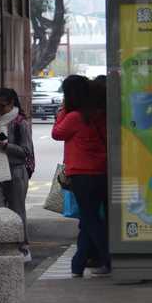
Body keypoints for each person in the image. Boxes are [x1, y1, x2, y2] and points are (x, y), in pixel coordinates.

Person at [52, 74, 109, 277]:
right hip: (101, 172)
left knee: (91, 220)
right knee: (88, 220)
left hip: (82, 175)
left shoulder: (74, 117)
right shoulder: (99, 114)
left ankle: (109, 259)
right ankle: (78, 264)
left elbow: (57, 133)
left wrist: (63, 110)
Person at [0, 87, 36, 262]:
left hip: (16, 171)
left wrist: (6, 146)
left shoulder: (20, 123)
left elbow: (26, 152)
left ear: (11, 103)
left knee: (17, 210)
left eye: (2, 106)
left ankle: (23, 247)